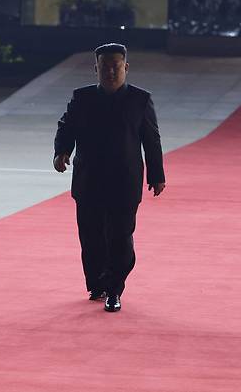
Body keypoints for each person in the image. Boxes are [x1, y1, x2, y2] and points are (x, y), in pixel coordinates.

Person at [53, 43, 166, 312]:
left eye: (116, 66)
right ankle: (97, 284)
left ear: (126, 67)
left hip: (124, 181)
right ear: (96, 69)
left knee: (120, 238)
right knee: (90, 238)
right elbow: (66, 127)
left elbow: (152, 139)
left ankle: (115, 289)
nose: (110, 71)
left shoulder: (140, 100)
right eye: (105, 66)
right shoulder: (82, 98)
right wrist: (61, 152)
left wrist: (156, 174)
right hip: (89, 179)